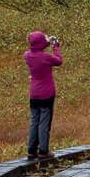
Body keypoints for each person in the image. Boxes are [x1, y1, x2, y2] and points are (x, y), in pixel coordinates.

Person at [24, 30, 63, 159]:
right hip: (46, 93)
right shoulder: (45, 57)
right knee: (44, 122)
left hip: (33, 93)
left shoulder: (27, 56)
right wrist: (55, 47)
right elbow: (58, 61)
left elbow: (36, 49)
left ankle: (31, 150)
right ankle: (43, 150)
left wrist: (45, 43)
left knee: (34, 120)